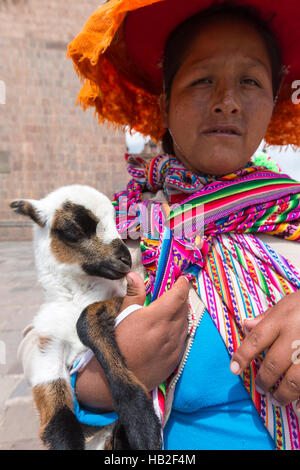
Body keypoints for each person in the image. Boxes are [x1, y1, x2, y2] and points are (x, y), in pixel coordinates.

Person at [21, 0, 300, 450]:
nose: (227, 102)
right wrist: (111, 374)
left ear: (273, 98)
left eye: (249, 80)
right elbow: (47, 344)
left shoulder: (292, 214)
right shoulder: (122, 229)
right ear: (166, 102)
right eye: (203, 79)